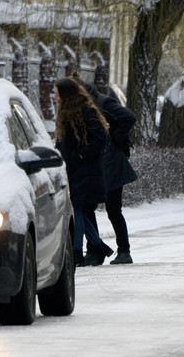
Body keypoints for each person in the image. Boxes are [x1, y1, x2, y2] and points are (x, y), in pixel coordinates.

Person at [74, 76, 138, 265]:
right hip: (97, 166)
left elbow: (129, 117)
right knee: (87, 208)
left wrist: (113, 139)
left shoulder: (102, 102)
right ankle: (95, 250)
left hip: (111, 166)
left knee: (113, 210)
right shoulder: (83, 106)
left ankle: (124, 251)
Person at [53, 77, 110, 266]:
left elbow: (101, 139)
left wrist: (79, 156)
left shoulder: (86, 112)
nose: (55, 96)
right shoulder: (66, 113)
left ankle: (78, 251)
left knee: (77, 209)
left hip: (86, 171)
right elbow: (64, 143)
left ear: (65, 94)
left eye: (57, 92)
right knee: (79, 210)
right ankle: (98, 246)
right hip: (75, 170)